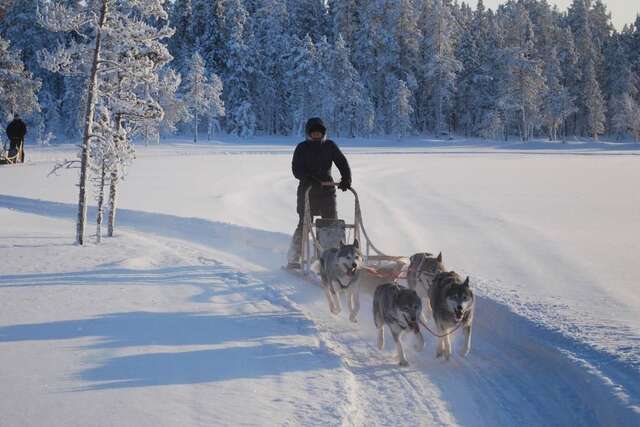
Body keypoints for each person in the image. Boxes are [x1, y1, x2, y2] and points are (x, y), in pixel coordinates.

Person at [287, 117, 352, 269]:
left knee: (330, 226)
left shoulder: (329, 146)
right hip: (307, 192)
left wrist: (346, 179)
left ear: (324, 133)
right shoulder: (302, 148)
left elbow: (342, 162)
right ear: (308, 134)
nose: (316, 135)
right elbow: (296, 169)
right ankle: (294, 257)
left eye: (319, 132)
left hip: (327, 192)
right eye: (313, 132)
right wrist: (308, 178)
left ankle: (330, 259)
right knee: (304, 224)